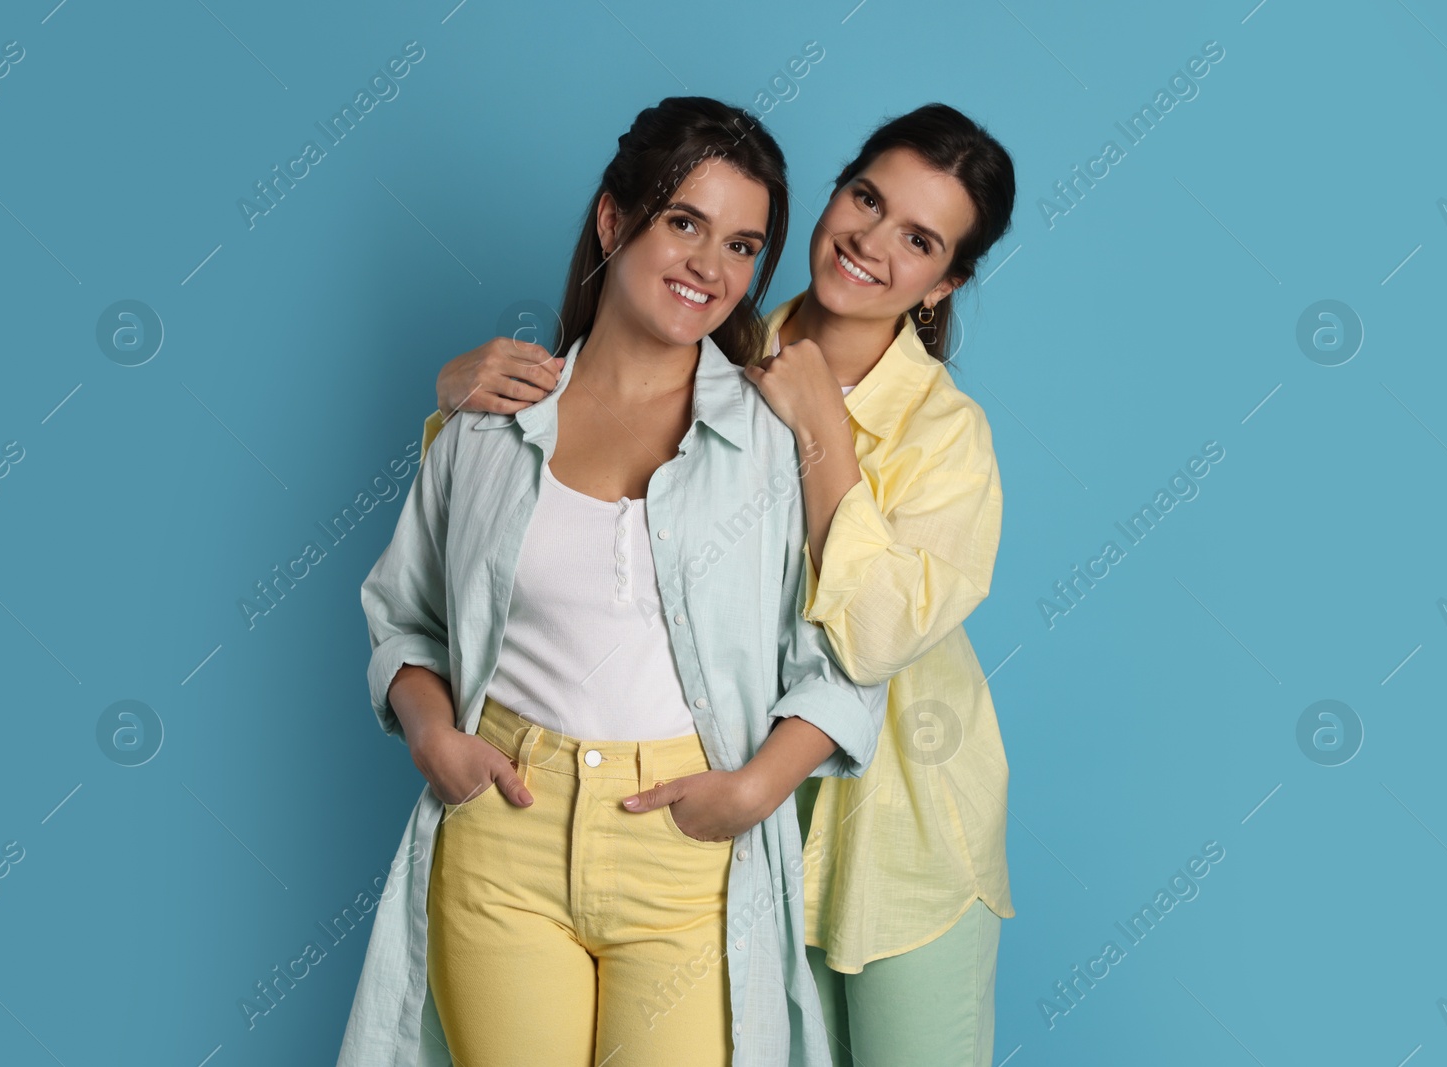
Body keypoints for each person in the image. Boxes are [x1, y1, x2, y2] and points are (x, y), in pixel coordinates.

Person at [429, 102, 1018, 1066]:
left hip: (895, 834)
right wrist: (453, 401)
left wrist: (823, 426)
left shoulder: (947, 437)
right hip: (714, 826)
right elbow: (526, 518)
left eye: (917, 240)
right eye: (865, 198)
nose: (870, 242)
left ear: (942, 284)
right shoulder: (726, 356)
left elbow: (868, 637)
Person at [337, 96, 887, 1067]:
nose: (710, 268)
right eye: (684, 222)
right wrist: (434, 737)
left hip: (683, 845)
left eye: (743, 244)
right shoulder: (493, 418)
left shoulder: (769, 443)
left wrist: (756, 787)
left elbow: (847, 656)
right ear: (611, 218)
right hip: (503, 831)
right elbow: (403, 616)